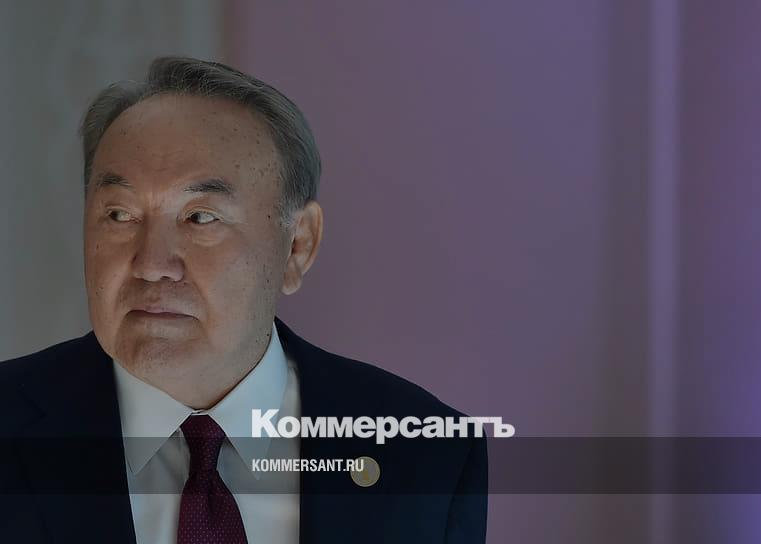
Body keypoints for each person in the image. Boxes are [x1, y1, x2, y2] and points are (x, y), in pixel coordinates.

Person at [0, 56, 486, 544]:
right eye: (119, 215)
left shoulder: (427, 453)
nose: (151, 264)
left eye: (201, 218)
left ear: (297, 246)